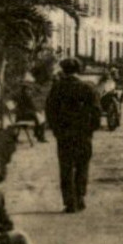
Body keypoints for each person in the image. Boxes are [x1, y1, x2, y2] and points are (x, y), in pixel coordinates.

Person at [45, 57, 101, 213]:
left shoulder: (57, 88)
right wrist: (91, 129)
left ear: (63, 70)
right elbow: (96, 111)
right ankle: (80, 198)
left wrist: (56, 130)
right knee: (82, 165)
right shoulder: (88, 88)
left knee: (66, 167)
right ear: (79, 70)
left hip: (64, 134)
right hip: (83, 134)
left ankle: (70, 202)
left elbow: (50, 111)